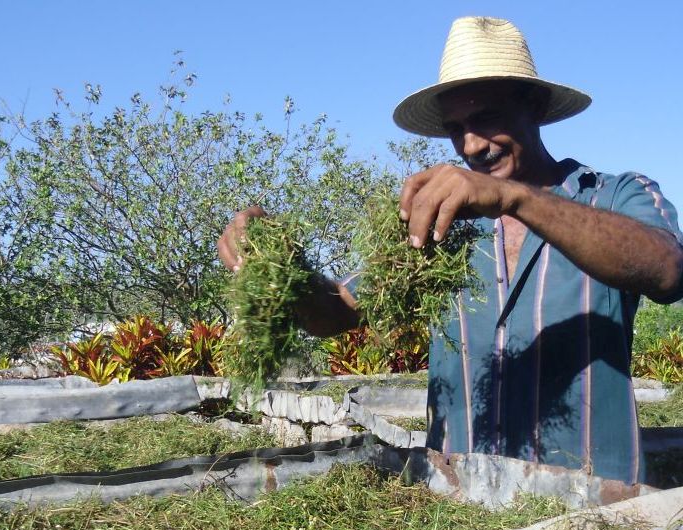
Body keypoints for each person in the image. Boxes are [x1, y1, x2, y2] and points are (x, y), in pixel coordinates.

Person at [217, 16, 683, 484]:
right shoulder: (440, 227)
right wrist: (280, 266)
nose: (472, 145)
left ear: (535, 106)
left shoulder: (614, 195)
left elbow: (668, 269)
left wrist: (514, 199)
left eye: (486, 117)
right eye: (456, 128)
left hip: (594, 511)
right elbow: (336, 311)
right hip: (464, 505)